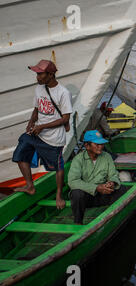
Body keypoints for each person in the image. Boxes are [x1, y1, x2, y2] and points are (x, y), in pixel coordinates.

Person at [12, 59, 72, 209]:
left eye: (40, 74)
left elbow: (65, 118)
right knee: (20, 153)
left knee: (57, 167)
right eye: (37, 74)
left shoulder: (63, 93)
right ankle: (30, 186)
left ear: (51, 75)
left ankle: (59, 195)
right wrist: (31, 122)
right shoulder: (39, 88)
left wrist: (43, 126)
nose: (37, 77)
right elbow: (36, 108)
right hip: (37, 133)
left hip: (53, 138)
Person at [68, 130, 126, 224]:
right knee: (76, 194)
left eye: (102, 144)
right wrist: (96, 188)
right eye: (97, 144)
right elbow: (72, 181)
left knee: (122, 189)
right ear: (87, 146)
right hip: (87, 197)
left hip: (103, 194)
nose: (101, 146)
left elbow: (113, 174)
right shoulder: (78, 159)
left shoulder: (106, 156)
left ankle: (113, 218)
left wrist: (112, 182)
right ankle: (78, 222)